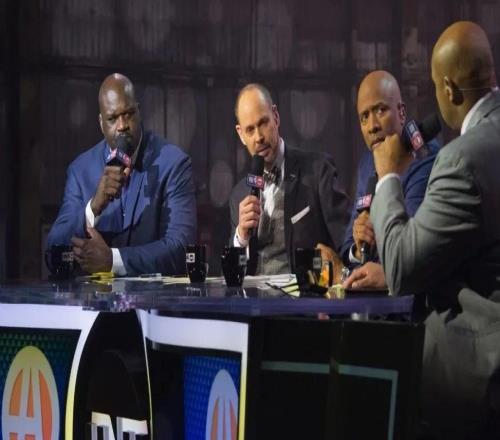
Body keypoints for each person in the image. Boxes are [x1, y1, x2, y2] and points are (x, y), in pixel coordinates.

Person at [369, 21, 500, 439]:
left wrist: (388, 176)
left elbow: (403, 268)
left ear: (448, 89)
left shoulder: (462, 159)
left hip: (473, 389)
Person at [46, 73, 196, 276]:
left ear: (139, 112)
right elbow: (53, 251)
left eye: (129, 114)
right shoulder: (80, 171)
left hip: (153, 296)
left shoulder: (173, 164)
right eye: (112, 118)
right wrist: (94, 207)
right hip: (95, 296)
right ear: (101, 123)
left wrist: (113, 260)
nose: (122, 125)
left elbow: (182, 248)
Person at [229, 83, 350, 275]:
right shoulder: (239, 194)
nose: (259, 137)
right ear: (241, 134)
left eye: (263, 123)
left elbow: (346, 241)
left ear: (276, 117)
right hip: (253, 294)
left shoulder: (318, 171)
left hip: (303, 292)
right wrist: (241, 237)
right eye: (250, 130)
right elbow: (233, 274)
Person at [342, 71, 439, 289]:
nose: (372, 126)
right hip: (372, 297)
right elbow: (347, 247)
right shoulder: (367, 163)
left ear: (401, 112)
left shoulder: (424, 157)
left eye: (380, 110)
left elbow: (411, 246)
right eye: (364, 117)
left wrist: (384, 272)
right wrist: (358, 247)